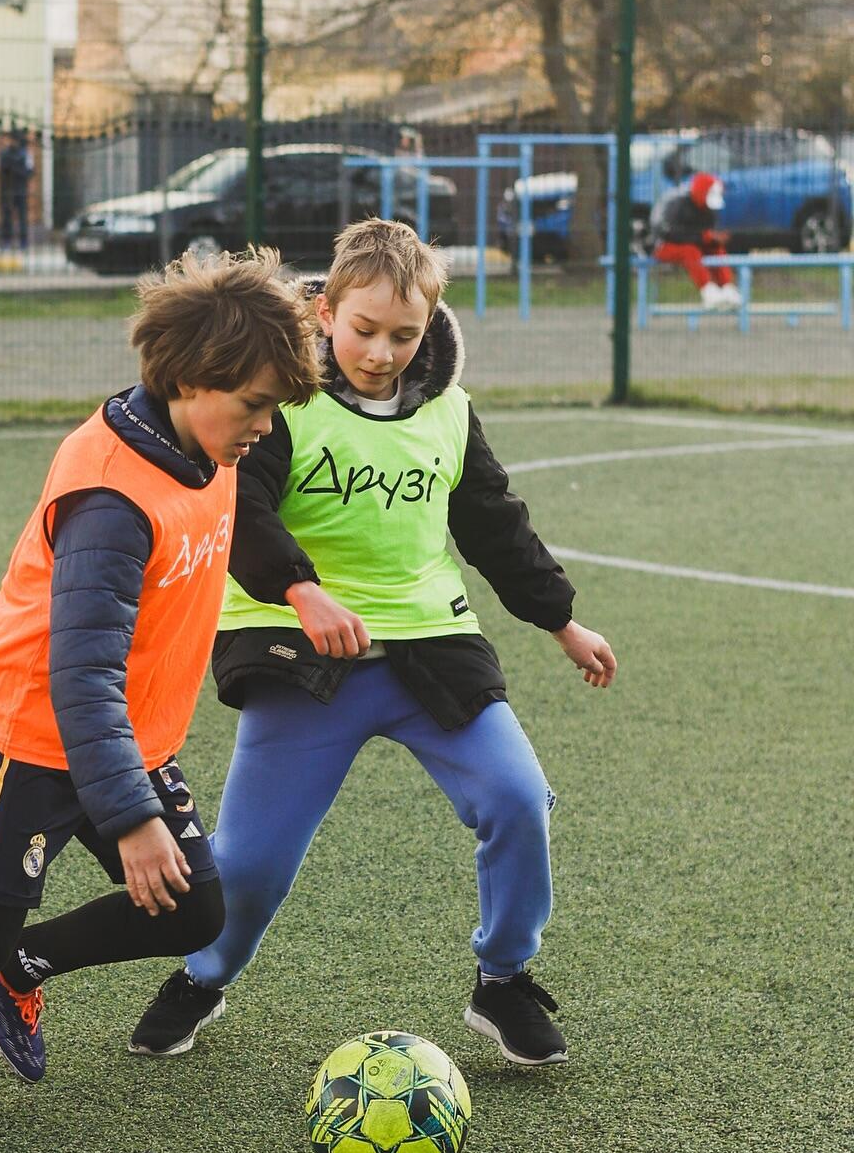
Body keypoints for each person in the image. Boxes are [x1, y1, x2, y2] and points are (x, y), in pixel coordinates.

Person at [0, 247, 323, 1153]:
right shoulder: (110, 498)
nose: (264, 428)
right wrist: (131, 817)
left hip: (128, 736)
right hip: (38, 734)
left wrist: (299, 588)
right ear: (196, 379)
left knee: (197, 913)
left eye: (273, 407)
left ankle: (27, 966)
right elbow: (78, 674)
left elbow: (218, 537)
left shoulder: (208, 441)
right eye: (255, 406)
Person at [128, 218, 618, 1071]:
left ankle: (502, 980)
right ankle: (205, 977)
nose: (382, 352)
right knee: (248, 867)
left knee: (517, 801)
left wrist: (563, 621)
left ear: (430, 326)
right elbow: (240, 512)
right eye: (364, 330)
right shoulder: (280, 406)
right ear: (324, 312)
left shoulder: (451, 416)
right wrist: (301, 589)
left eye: (405, 334)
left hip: (433, 646)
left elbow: (496, 530)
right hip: (301, 655)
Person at [649, 172, 738, 308]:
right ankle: (708, 291)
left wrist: (714, 239)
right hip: (663, 245)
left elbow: (703, 235)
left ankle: (727, 287)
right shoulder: (677, 204)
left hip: (693, 245)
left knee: (716, 248)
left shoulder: (709, 209)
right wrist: (705, 237)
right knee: (689, 251)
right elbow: (669, 233)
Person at [0, 128, 35, 249]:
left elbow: (30, 172)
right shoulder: (4, 153)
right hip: (7, 190)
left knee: (22, 216)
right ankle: (6, 240)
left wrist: (16, 170)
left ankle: (23, 241)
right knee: (6, 216)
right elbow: (1, 170)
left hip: (21, 189)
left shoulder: (25, 154)